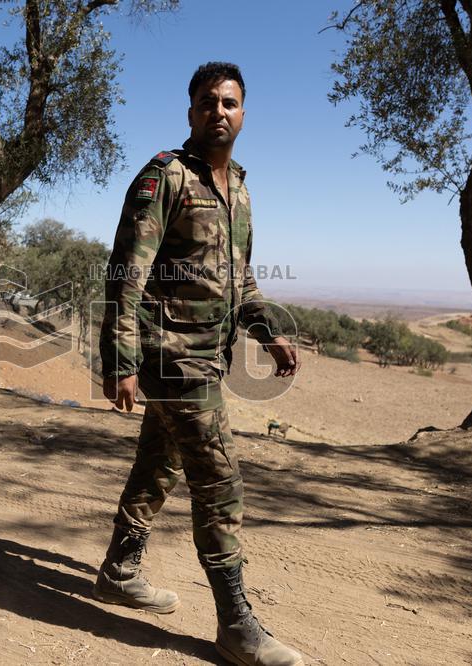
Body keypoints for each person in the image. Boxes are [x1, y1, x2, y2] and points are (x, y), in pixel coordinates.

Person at [94, 62, 304, 666]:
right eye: (208, 102)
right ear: (191, 113)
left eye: (230, 102)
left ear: (243, 114)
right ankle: (238, 626)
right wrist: (120, 360)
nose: (219, 111)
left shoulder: (237, 186)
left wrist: (267, 334)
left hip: (206, 358)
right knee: (219, 482)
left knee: (158, 465)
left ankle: (119, 569)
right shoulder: (166, 179)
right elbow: (124, 275)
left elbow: (241, 279)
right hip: (169, 358)